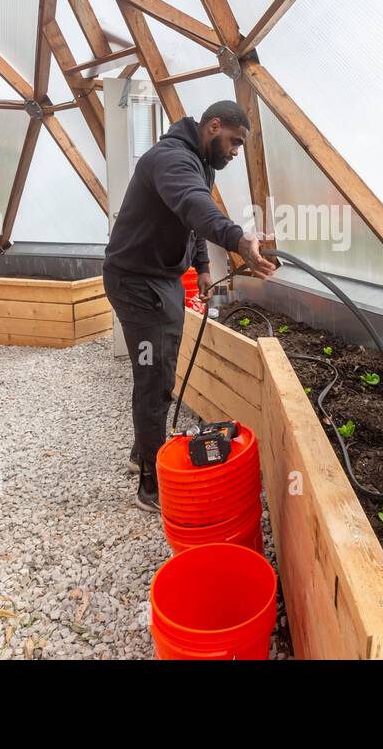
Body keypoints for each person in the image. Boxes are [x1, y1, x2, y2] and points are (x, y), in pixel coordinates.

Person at [102, 100, 276, 512]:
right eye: (233, 142)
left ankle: (141, 450)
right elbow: (196, 206)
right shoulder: (170, 160)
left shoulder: (201, 162)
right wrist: (237, 240)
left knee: (159, 368)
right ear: (213, 126)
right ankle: (150, 485)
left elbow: (190, 219)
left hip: (160, 279)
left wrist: (200, 267)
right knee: (153, 380)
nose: (235, 152)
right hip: (136, 283)